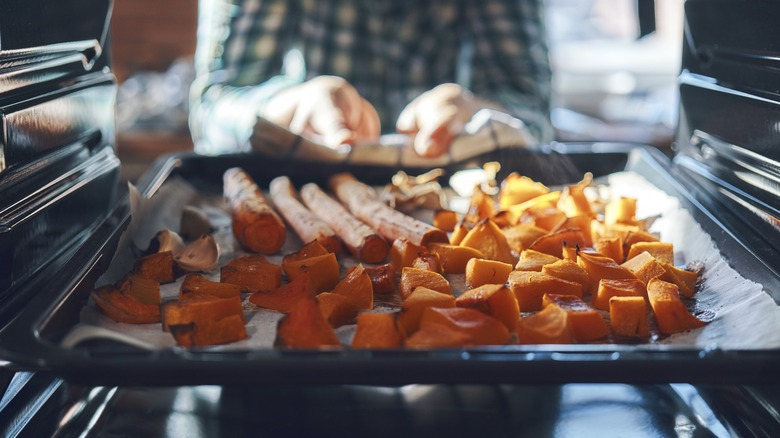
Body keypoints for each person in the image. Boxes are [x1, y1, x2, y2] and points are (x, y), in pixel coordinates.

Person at [189, 0, 552, 160]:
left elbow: (532, 109)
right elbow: (214, 105)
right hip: (299, 181)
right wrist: (288, 106)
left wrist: (471, 108)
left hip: (452, 194)